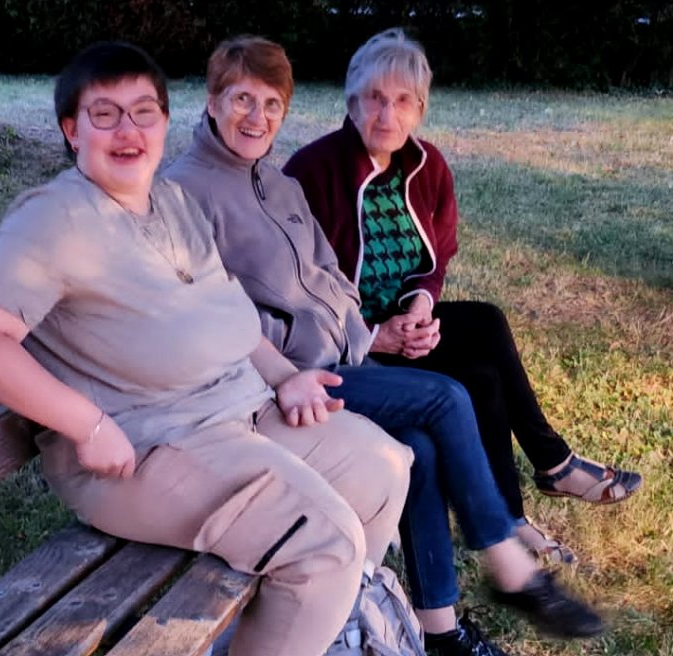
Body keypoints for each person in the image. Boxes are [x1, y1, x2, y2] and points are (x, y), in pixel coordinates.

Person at [0, 41, 413, 656]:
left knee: (383, 468)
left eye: (144, 112)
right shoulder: (55, 218)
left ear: (165, 123)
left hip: (240, 410)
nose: (128, 130)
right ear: (71, 130)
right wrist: (87, 424)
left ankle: (327, 634)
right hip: (149, 445)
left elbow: (228, 313)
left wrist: (283, 376)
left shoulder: (174, 202)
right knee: (326, 544)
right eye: (105, 114)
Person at [165, 35, 605, 656]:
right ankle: (509, 564)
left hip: (342, 358)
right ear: (212, 101)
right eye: (241, 100)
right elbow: (212, 313)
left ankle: (441, 632)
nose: (256, 117)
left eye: (271, 104)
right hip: (282, 379)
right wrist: (306, 364)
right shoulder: (187, 192)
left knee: (421, 445)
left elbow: (329, 276)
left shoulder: (275, 185)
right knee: (447, 398)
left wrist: (366, 339)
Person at [283, 28, 641, 562]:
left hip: (402, 326)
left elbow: (436, 255)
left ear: (420, 109)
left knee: (484, 357)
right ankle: (553, 467)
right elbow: (297, 282)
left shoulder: (426, 166)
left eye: (403, 100)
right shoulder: (312, 172)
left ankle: (515, 514)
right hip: (345, 343)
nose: (387, 114)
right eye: (375, 98)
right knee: (481, 351)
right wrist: (375, 335)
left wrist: (421, 307)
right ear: (352, 101)